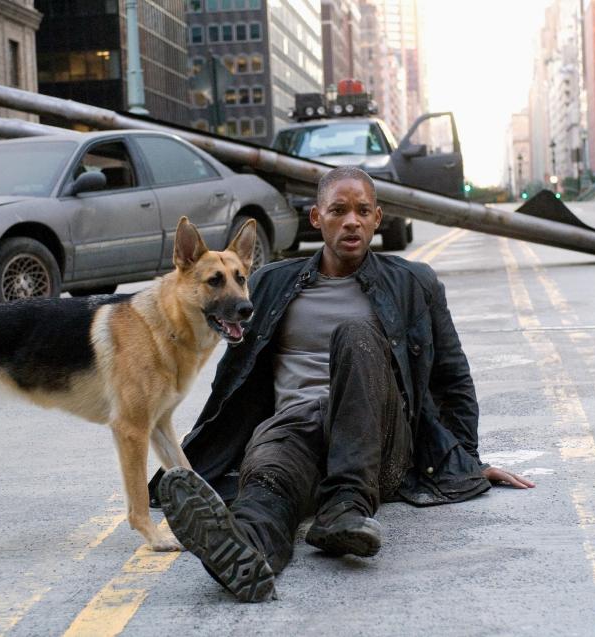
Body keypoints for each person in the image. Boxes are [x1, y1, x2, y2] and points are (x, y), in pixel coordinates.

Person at [153, 166, 534, 603]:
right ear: (317, 218)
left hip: (376, 446)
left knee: (354, 334)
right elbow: (233, 382)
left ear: (377, 219)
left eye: (362, 211)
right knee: (268, 486)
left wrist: (463, 460)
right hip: (293, 430)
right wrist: (214, 454)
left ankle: (345, 506)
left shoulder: (414, 283)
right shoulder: (269, 283)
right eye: (338, 210)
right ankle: (246, 551)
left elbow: (453, 379)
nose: (351, 220)